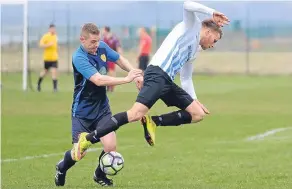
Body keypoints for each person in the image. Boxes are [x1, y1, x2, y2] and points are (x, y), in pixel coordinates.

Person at [75, 0, 229, 157]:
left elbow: (186, 77)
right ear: (208, 32)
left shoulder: (194, 50)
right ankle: (87, 139)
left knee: (197, 114)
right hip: (157, 74)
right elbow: (187, 4)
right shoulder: (192, 25)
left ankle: (153, 121)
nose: (213, 45)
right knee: (134, 114)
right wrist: (211, 12)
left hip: (167, 81)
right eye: (214, 40)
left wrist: (194, 99)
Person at [54, 23, 143, 187]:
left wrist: (135, 73)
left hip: (102, 109)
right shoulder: (79, 57)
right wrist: (126, 79)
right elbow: (98, 80)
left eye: (97, 41)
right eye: (92, 42)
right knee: (78, 154)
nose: (96, 45)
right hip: (82, 113)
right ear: (82, 39)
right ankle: (61, 167)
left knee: (110, 146)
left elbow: (119, 59)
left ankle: (99, 174)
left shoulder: (101, 47)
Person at [37, 24, 59, 92]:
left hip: (54, 58)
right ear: (49, 29)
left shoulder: (55, 36)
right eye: (52, 29)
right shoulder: (46, 36)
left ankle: (55, 88)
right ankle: (38, 84)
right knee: (45, 72)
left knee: (54, 72)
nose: (53, 30)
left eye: (54, 29)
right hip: (47, 58)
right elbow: (40, 45)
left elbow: (55, 46)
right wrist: (48, 45)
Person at [102, 26, 123, 92]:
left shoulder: (113, 38)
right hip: (104, 58)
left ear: (106, 30)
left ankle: (112, 88)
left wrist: (119, 55)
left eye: (103, 30)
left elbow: (118, 46)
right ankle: (107, 87)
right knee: (106, 73)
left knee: (111, 73)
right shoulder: (103, 38)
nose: (102, 31)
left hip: (111, 58)